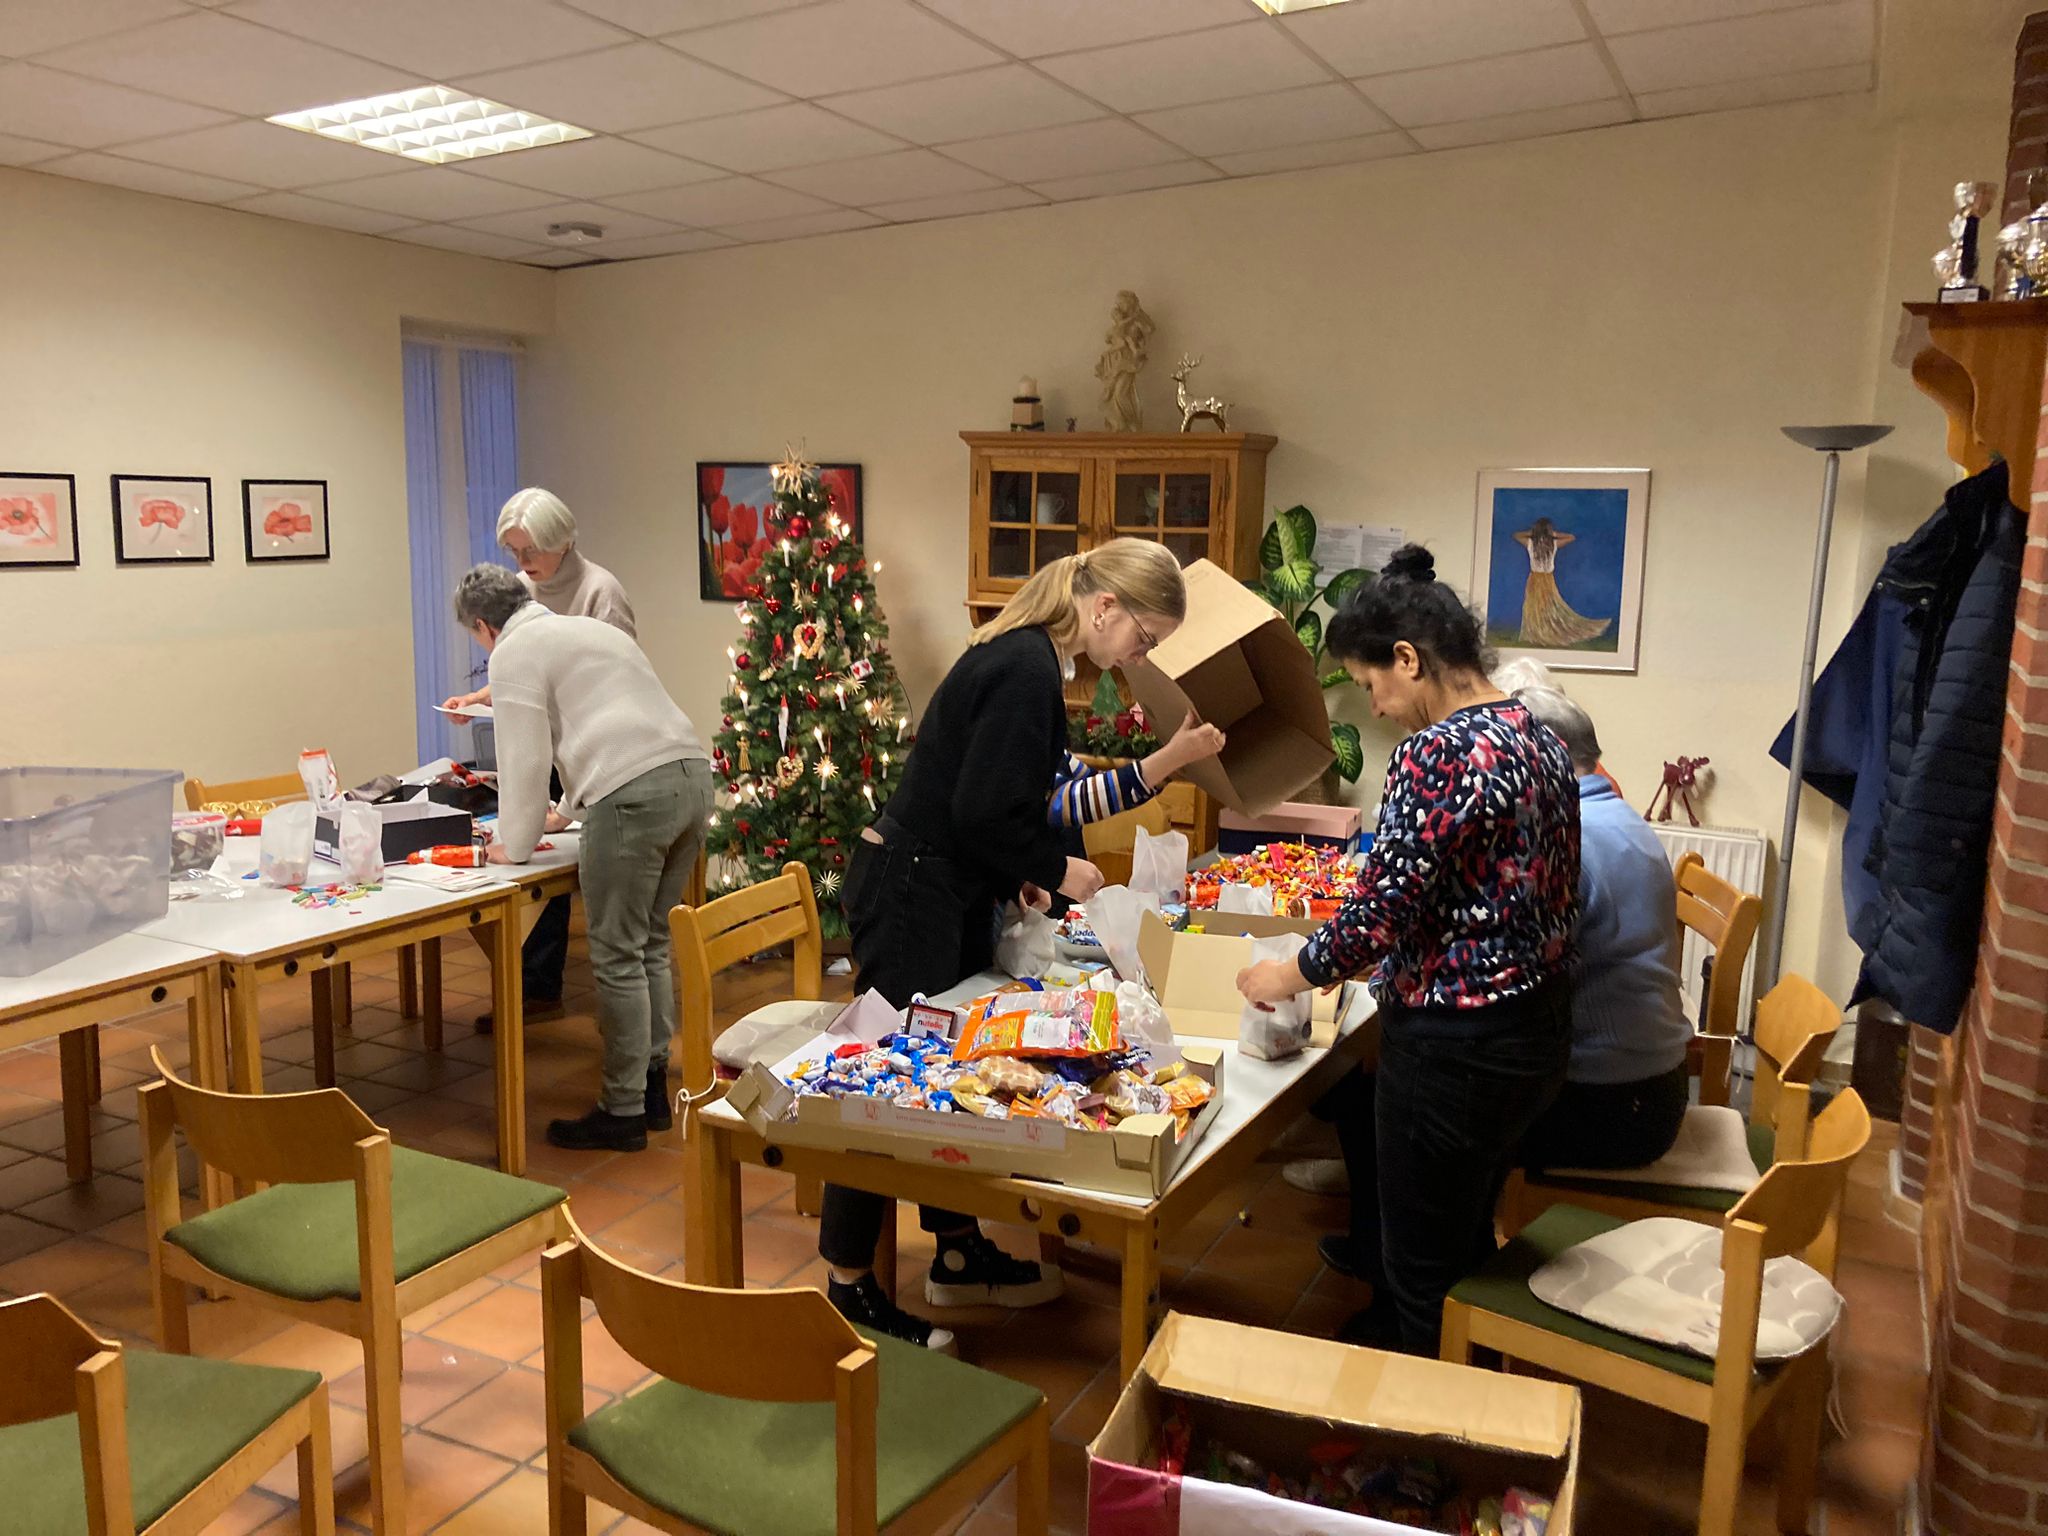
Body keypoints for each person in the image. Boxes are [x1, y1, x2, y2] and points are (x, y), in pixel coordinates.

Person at [826, 538, 1189, 1352]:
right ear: (1105, 609)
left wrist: (1016, 876)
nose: (1142, 654)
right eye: (1145, 636)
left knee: (947, 1071)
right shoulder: (1026, 668)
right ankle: (847, 1286)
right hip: (912, 892)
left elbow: (989, 805)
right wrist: (1059, 871)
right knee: (883, 1081)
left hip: (940, 886)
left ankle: (956, 1255)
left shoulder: (1032, 660)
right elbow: (984, 817)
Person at [1236, 544, 1580, 1356]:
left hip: (1456, 1048)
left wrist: (1283, 972)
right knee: (1465, 1242)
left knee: (1420, 1266)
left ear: (1408, 658)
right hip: (1536, 1033)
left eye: (1371, 687)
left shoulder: (1439, 752)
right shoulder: (1539, 734)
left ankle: (1426, 1456)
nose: (1379, 708)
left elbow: (1379, 914)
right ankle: (1475, 1393)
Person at [453, 564, 712, 1154]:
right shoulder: (591, 632)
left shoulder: (514, 651)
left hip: (632, 799)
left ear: (484, 625)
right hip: (692, 779)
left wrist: (511, 846)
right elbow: (618, 727)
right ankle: (649, 1092)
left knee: (617, 954)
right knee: (648, 943)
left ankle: (620, 1112)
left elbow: (523, 758)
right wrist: (569, 812)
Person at [446, 489, 636, 1031]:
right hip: (549, 739)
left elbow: (611, 674)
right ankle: (536, 984)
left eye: (530, 551)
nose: (523, 565)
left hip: (594, 745)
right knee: (539, 854)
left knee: (549, 847)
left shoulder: (601, 591)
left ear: (562, 541)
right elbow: (520, 667)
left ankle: (615, 1018)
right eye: (514, 553)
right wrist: (479, 698)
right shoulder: (524, 592)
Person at [1512, 686, 1691, 1171]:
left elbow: (1516, 973)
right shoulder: (1615, 815)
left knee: (1432, 1113)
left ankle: (1416, 1240)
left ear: (1548, 755)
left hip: (1613, 1106)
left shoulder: (1571, 839)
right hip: (1654, 1083)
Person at [1512, 517, 1610, 649]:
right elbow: (1571, 537)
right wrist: (1553, 535)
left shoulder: (1531, 544)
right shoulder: (1552, 545)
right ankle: (1542, 632)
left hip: (1536, 580)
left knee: (1537, 607)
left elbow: (1516, 535)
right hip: (1545, 579)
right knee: (1541, 607)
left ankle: (1542, 632)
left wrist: (1535, 533)